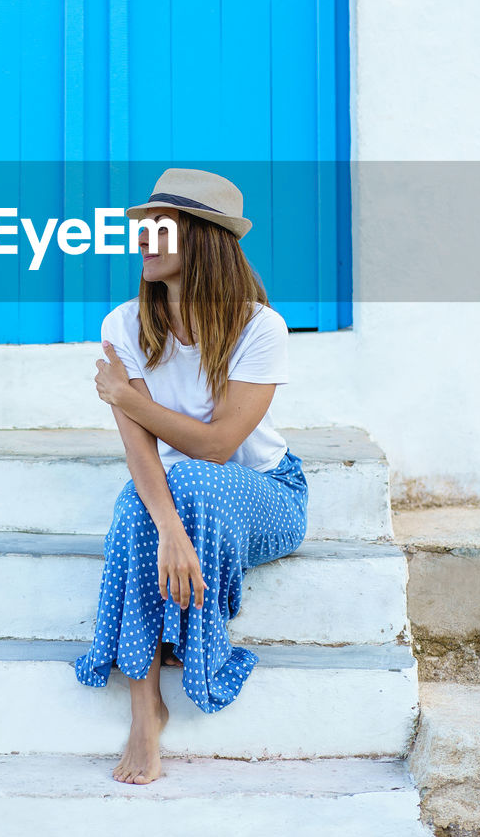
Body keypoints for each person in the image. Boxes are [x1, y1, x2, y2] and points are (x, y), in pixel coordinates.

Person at [74, 168, 309, 785]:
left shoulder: (259, 328)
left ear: (203, 239)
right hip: (178, 497)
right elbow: (141, 454)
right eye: (141, 229)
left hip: (265, 494)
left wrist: (127, 398)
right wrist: (170, 531)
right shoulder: (124, 324)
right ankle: (144, 706)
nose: (143, 240)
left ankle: (203, 659)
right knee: (137, 506)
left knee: (198, 482)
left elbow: (219, 444)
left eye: (160, 228)